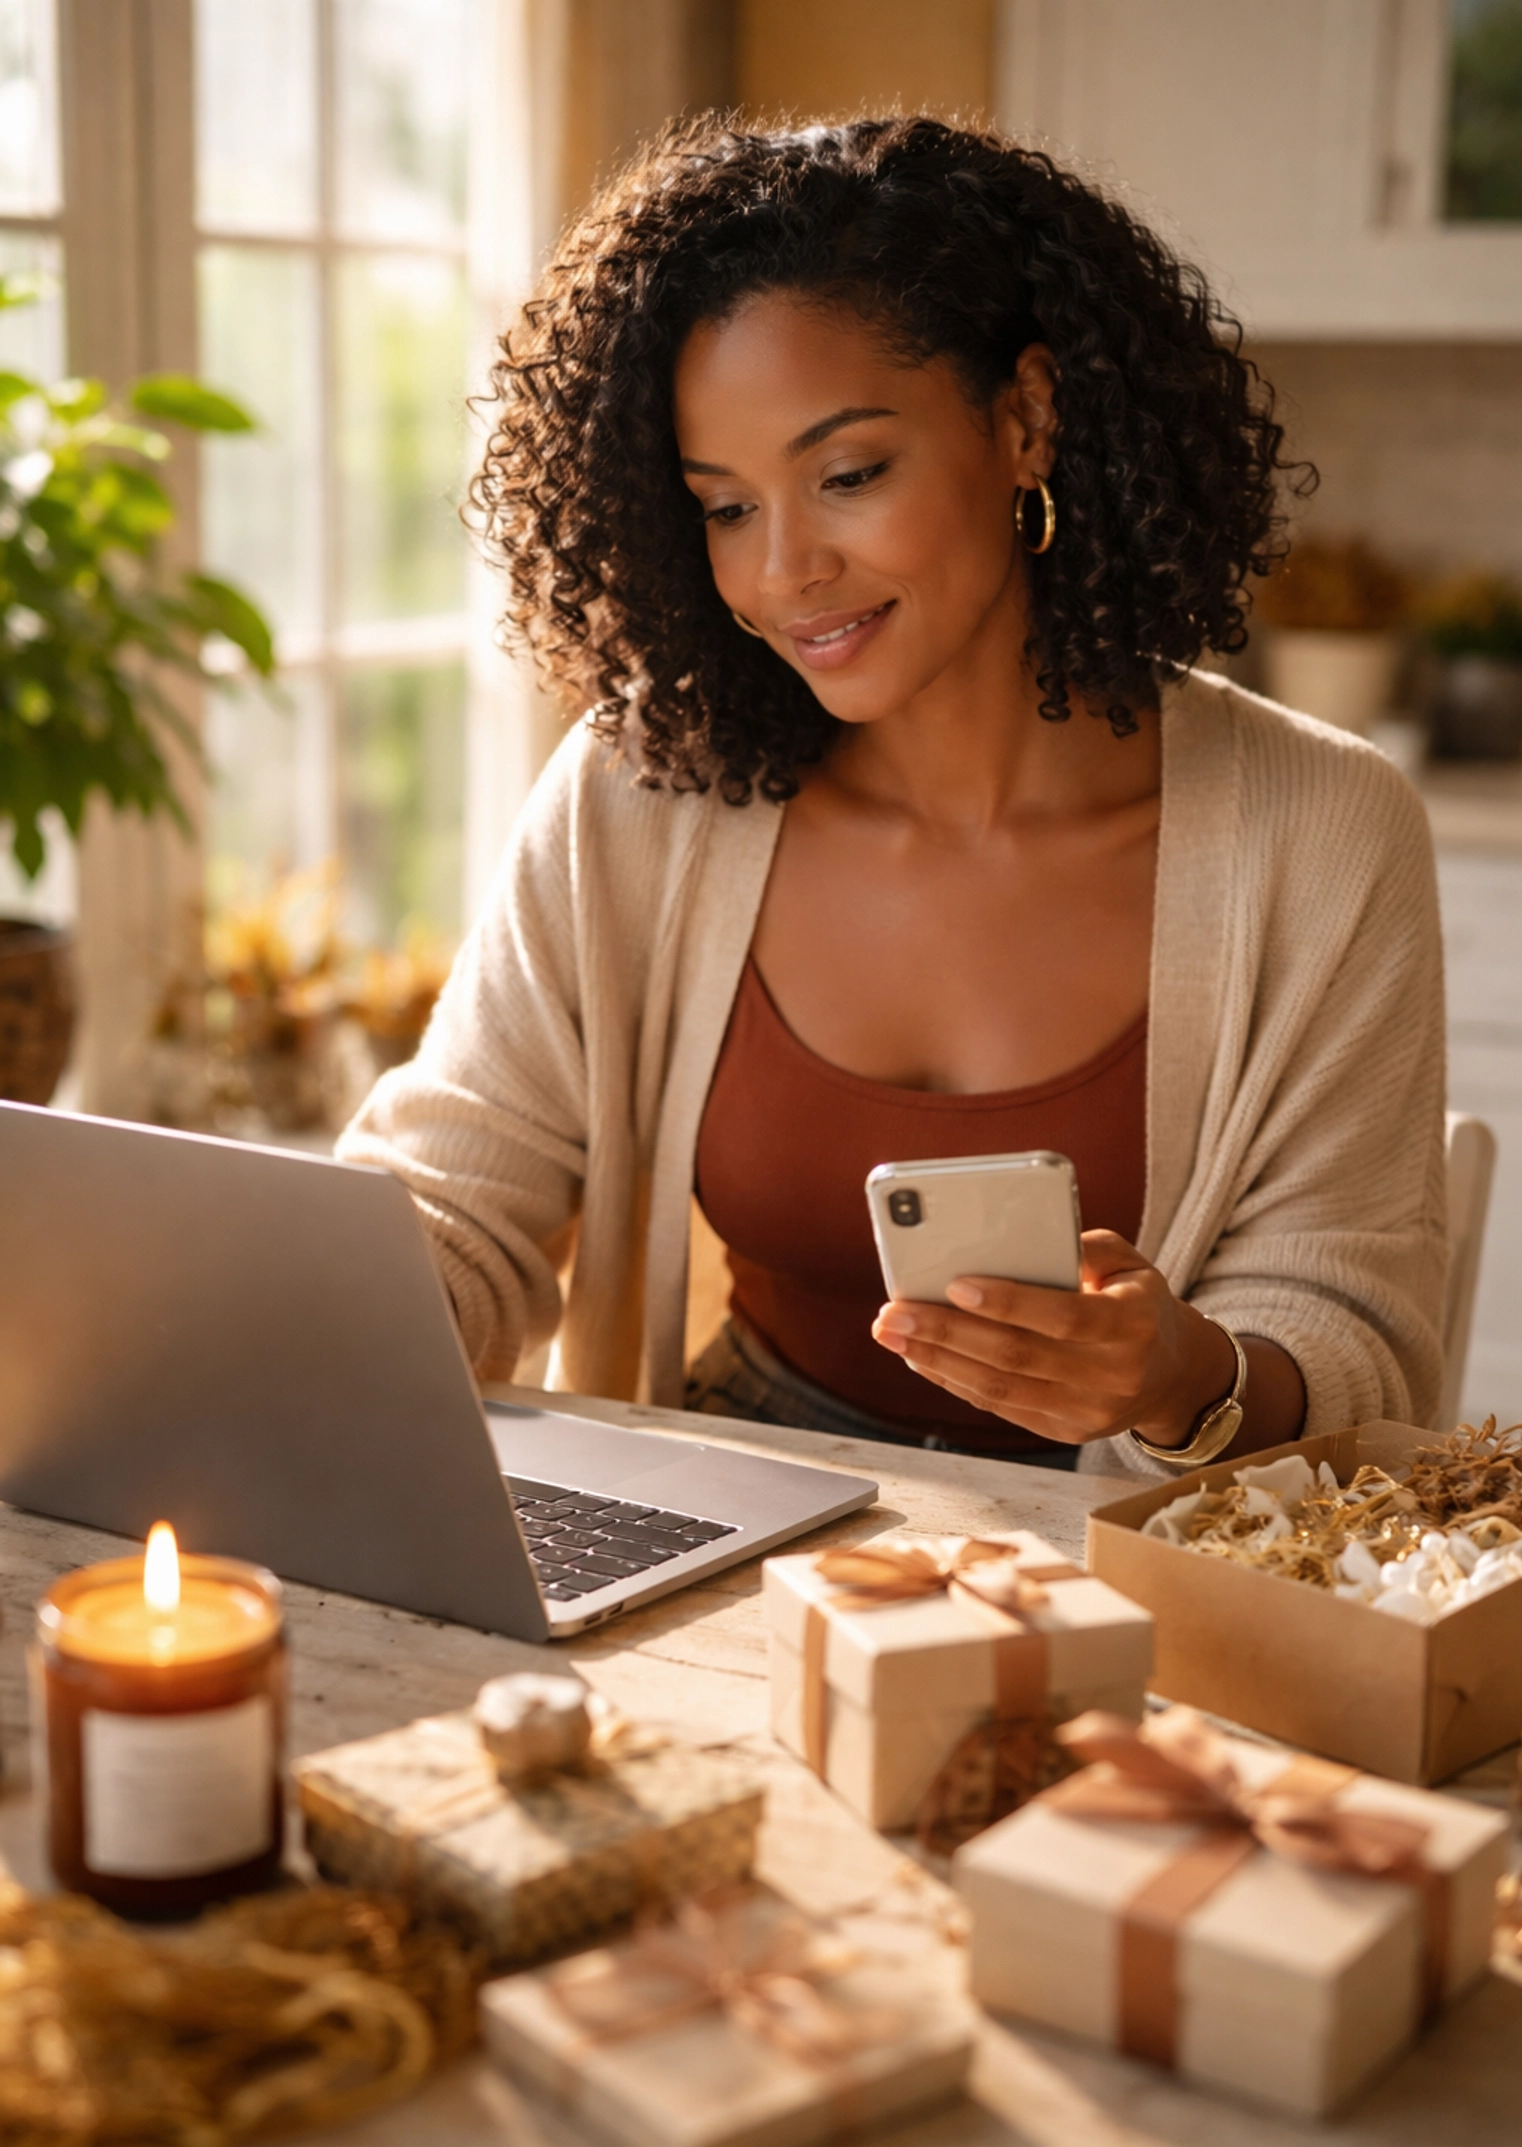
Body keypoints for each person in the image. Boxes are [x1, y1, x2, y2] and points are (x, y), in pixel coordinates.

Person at [338, 117, 1446, 1479]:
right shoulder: (643, 795)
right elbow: (458, 1202)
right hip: (736, 1511)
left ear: (1025, 420)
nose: (784, 570)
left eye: (848, 475)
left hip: (1141, 1558)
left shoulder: (1325, 834)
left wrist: (1182, 1376)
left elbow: (1361, 1343)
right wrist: (317, 1307)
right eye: (725, 507)